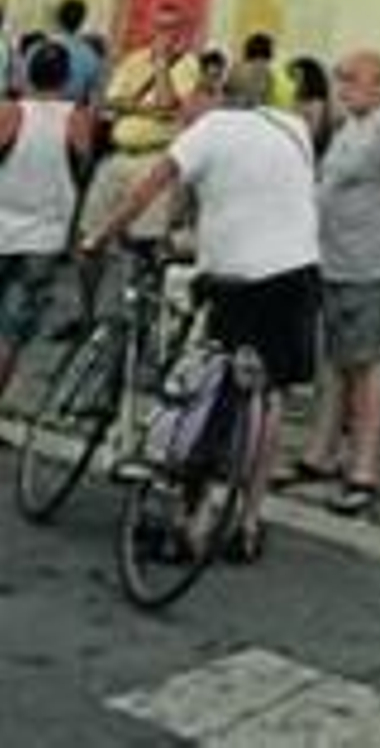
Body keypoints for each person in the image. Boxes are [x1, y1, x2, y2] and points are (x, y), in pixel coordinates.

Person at [80, 59, 320, 562]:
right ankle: (250, 522)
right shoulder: (295, 127)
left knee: (215, 388)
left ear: (218, 92)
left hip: (237, 276)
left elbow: (152, 186)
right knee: (268, 395)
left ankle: (197, 519)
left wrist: (102, 234)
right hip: (297, 270)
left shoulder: (210, 129)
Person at [285, 49, 380, 518]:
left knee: (365, 363)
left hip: (368, 263)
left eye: (353, 79)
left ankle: (363, 468)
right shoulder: (352, 126)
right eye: (340, 78)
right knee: (335, 361)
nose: (343, 87)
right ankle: (321, 453)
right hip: (335, 260)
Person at [0, 41, 96, 402]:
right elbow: (82, 172)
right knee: (11, 333)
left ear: (27, 72)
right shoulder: (77, 119)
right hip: (45, 238)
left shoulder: (11, 112)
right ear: (67, 78)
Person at [80, 0, 202, 250]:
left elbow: (168, 106)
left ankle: (135, 289)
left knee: (144, 241)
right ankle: (88, 291)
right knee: (91, 235)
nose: (163, 34)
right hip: (117, 155)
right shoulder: (133, 59)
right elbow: (110, 102)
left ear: (181, 32)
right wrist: (149, 108)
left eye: (170, 28)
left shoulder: (189, 65)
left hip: (153, 158)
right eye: (159, 27)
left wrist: (160, 65)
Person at [52, 0, 105, 107]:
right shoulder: (89, 55)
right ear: (82, 21)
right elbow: (96, 93)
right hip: (73, 113)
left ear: (58, 18)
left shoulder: (38, 48)